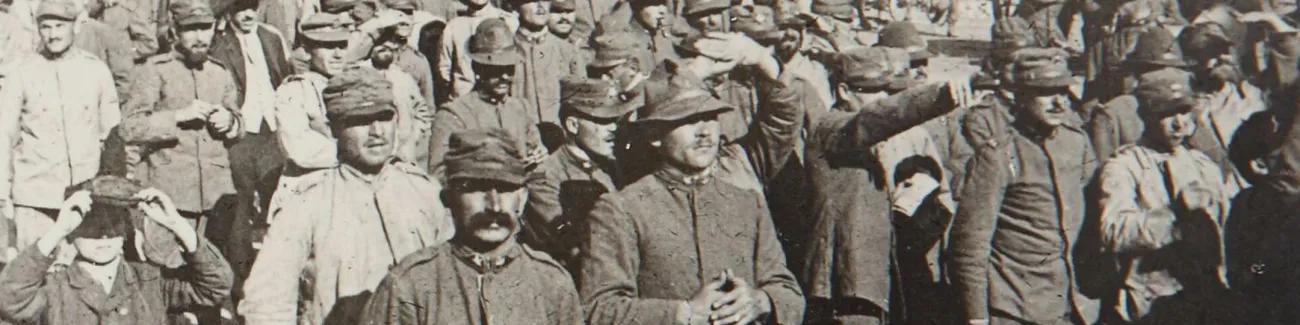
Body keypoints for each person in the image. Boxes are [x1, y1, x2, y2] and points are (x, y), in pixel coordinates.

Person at [238, 68, 454, 325]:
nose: (377, 131)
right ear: (334, 129)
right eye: (361, 120)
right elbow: (266, 302)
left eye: (384, 117)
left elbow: (457, 284)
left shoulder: (425, 194)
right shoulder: (307, 205)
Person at [581, 86, 805, 325]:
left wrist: (760, 301)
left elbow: (788, 292)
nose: (704, 132)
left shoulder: (748, 204)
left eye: (710, 118)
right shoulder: (622, 209)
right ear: (655, 136)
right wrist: (683, 314)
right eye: (689, 120)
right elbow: (598, 309)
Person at [801, 46, 973, 325]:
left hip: (868, 277)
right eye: (871, 89)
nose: (881, 97)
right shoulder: (830, 128)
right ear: (843, 90)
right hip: (843, 284)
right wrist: (940, 95)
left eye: (884, 89)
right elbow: (874, 119)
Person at [362, 128, 583, 324]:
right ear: (448, 198)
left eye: (505, 189)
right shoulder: (410, 286)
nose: (494, 206)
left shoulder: (552, 283)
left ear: (522, 198)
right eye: (477, 188)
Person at [950, 49, 1101, 325]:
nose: (1059, 103)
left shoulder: (1076, 143)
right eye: (1045, 93)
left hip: (1072, 304)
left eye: (1063, 91)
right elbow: (970, 244)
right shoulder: (998, 156)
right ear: (1020, 97)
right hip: (1016, 307)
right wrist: (976, 316)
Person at [0, 176, 234, 324]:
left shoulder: (149, 280)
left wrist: (176, 223)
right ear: (72, 231)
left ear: (126, 231)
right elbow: (8, 300)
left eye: (114, 223)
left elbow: (216, 286)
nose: (104, 233)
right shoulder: (55, 287)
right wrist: (57, 231)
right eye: (92, 223)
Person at [1098, 75, 1234, 324]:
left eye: (1184, 112)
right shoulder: (1124, 167)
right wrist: (1174, 214)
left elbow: (1226, 231)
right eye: (1167, 114)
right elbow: (1112, 231)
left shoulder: (1203, 166)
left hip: (1205, 295)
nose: (1179, 124)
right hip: (1152, 300)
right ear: (1147, 116)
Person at [119, 0, 241, 264]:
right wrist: (177, 117)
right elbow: (129, 127)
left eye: (205, 28)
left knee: (210, 271)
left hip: (215, 197)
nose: (199, 37)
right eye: (191, 29)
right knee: (166, 271)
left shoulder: (219, 73)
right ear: (175, 31)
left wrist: (230, 122)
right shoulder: (155, 70)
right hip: (170, 197)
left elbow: (238, 125)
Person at [0, 0, 120, 263]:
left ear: (76, 26)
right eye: (46, 27)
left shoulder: (96, 71)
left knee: (79, 277)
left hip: (84, 199)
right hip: (34, 201)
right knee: (35, 276)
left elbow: (111, 135)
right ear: (37, 29)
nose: (53, 34)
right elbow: (4, 137)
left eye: (59, 26)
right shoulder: (21, 73)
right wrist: (3, 195)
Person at [208, 0, 293, 269]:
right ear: (229, 13)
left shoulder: (270, 38)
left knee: (276, 202)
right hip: (241, 135)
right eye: (241, 9)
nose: (248, 15)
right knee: (241, 205)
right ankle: (241, 273)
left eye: (252, 8)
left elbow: (285, 76)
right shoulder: (220, 43)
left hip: (271, 131)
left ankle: (278, 266)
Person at [524, 77, 633, 270]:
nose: (613, 128)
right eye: (602, 120)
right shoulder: (546, 177)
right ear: (573, 125)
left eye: (613, 120)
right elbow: (565, 243)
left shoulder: (611, 166)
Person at [428, 18, 546, 180]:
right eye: (495, 70)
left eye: (509, 69)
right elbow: (438, 174)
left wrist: (538, 159)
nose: (504, 77)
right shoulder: (453, 115)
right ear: (478, 68)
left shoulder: (521, 109)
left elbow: (537, 159)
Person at [510, 0, 585, 149]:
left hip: (562, 147)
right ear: (515, 6)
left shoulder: (568, 51)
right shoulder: (505, 52)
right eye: (532, 1)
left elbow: (581, 106)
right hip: (518, 145)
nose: (540, 6)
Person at [438, 0, 518, 101]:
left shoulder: (510, 22)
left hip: (501, 101)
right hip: (464, 102)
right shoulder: (453, 27)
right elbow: (444, 73)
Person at [595, 0, 676, 73]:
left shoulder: (661, 39)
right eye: (655, 4)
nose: (662, 10)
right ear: (637, 6)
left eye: (664, 4)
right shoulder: (621, 42)